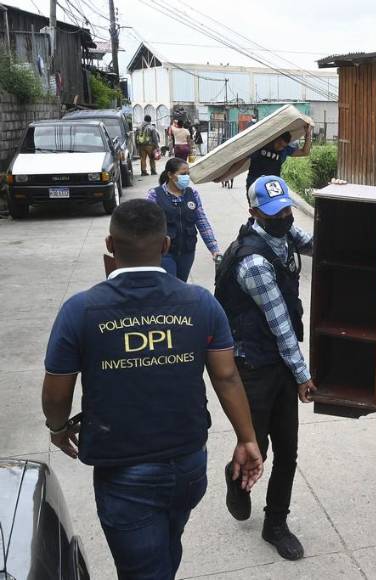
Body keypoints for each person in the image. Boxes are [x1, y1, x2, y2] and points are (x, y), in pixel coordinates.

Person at [42, 199, 264, 579]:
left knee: (145, 567)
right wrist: (248, 438)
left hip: (123, 474)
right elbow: (226, 377)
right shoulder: (200, 304)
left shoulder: (80, 311)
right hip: (189, 465)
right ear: (165, 245)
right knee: (164, 547)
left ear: (111, 246)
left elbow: (57, 393)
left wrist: (59, 428)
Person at [214, 175, 316, 561]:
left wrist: (344, 213)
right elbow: (280, 326)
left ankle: (275, 523)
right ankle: (236, 479)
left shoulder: (284, 233)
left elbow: (314, 242)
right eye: (275, 213)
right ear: (254, 212)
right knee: (259, 445)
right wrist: (303, 374)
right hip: (252, 366)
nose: (285, 217)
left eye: (287, 209)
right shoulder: (253, 261)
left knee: (287, 450)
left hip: (277, 364)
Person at [147, 157, 222, 282]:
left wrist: (214, 249)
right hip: (165, 253)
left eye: (188, 174)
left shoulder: (192, 194)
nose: (186, 177)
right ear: (170, 175)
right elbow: (147, 224)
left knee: (182, 284)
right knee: (170, 287)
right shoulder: (155, 195)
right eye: (182, 174)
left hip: (187, 251)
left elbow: (202, 222)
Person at [244, 126, 312, 190]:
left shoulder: (285, 150)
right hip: (254, 183)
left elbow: (305, 152)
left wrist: (308, 134)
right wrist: (232, 173)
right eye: (279, 144)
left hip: (272, 185)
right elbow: (242, 160)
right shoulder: (260, 146)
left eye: (283, 146)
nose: (280, 147)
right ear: (275, 138)